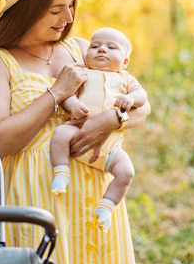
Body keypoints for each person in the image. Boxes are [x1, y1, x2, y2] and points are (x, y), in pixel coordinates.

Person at [0, 0, 151, 264]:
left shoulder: (78, 48)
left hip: (94, 193)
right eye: (55, 11)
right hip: (35, 196)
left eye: (71, 7)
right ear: (26, 10)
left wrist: (113, 120)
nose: (67, 19)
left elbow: (140, 103)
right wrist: (55, 94)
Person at [49, 27, 148, 232]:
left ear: (125, 61)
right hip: (77, 132)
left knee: (126, 171)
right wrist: (73, 104)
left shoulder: (125, 79)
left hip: (110, 148)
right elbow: (67, 94)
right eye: (95, 46)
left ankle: (106, 206)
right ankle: (61, 172)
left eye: (111, 48)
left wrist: (129, 99)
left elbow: (142, 96)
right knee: (59, 134)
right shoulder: (83, 73)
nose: (102, 50)